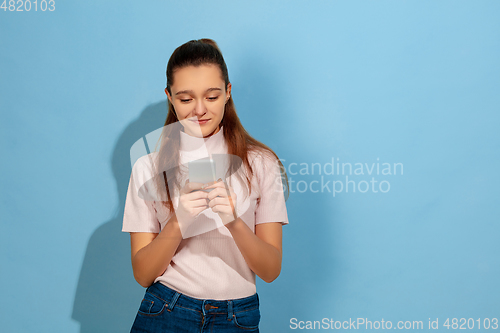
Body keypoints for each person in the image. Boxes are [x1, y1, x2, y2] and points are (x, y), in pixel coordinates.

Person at [122, 38, 289, 332]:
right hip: (166, 310)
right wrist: (178, 221)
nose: (199, 110)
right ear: (170, 97)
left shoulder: (261, 163)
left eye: (211, 97)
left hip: (237, 317)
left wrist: (235, 222)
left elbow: (271, 270)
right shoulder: (147, 167)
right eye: (186, 99)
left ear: (227, 93)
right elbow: (144, 274)